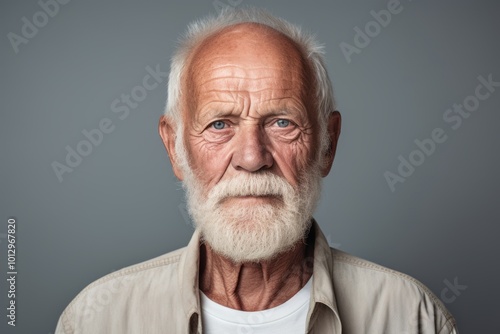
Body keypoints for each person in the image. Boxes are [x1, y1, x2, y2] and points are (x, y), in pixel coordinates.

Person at [55, 8, 458, 334]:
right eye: (219, 124)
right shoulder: (97, 320)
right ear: (175, 149)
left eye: (282, 122)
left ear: (327, 145)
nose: (252, 157)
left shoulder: (411, 318)